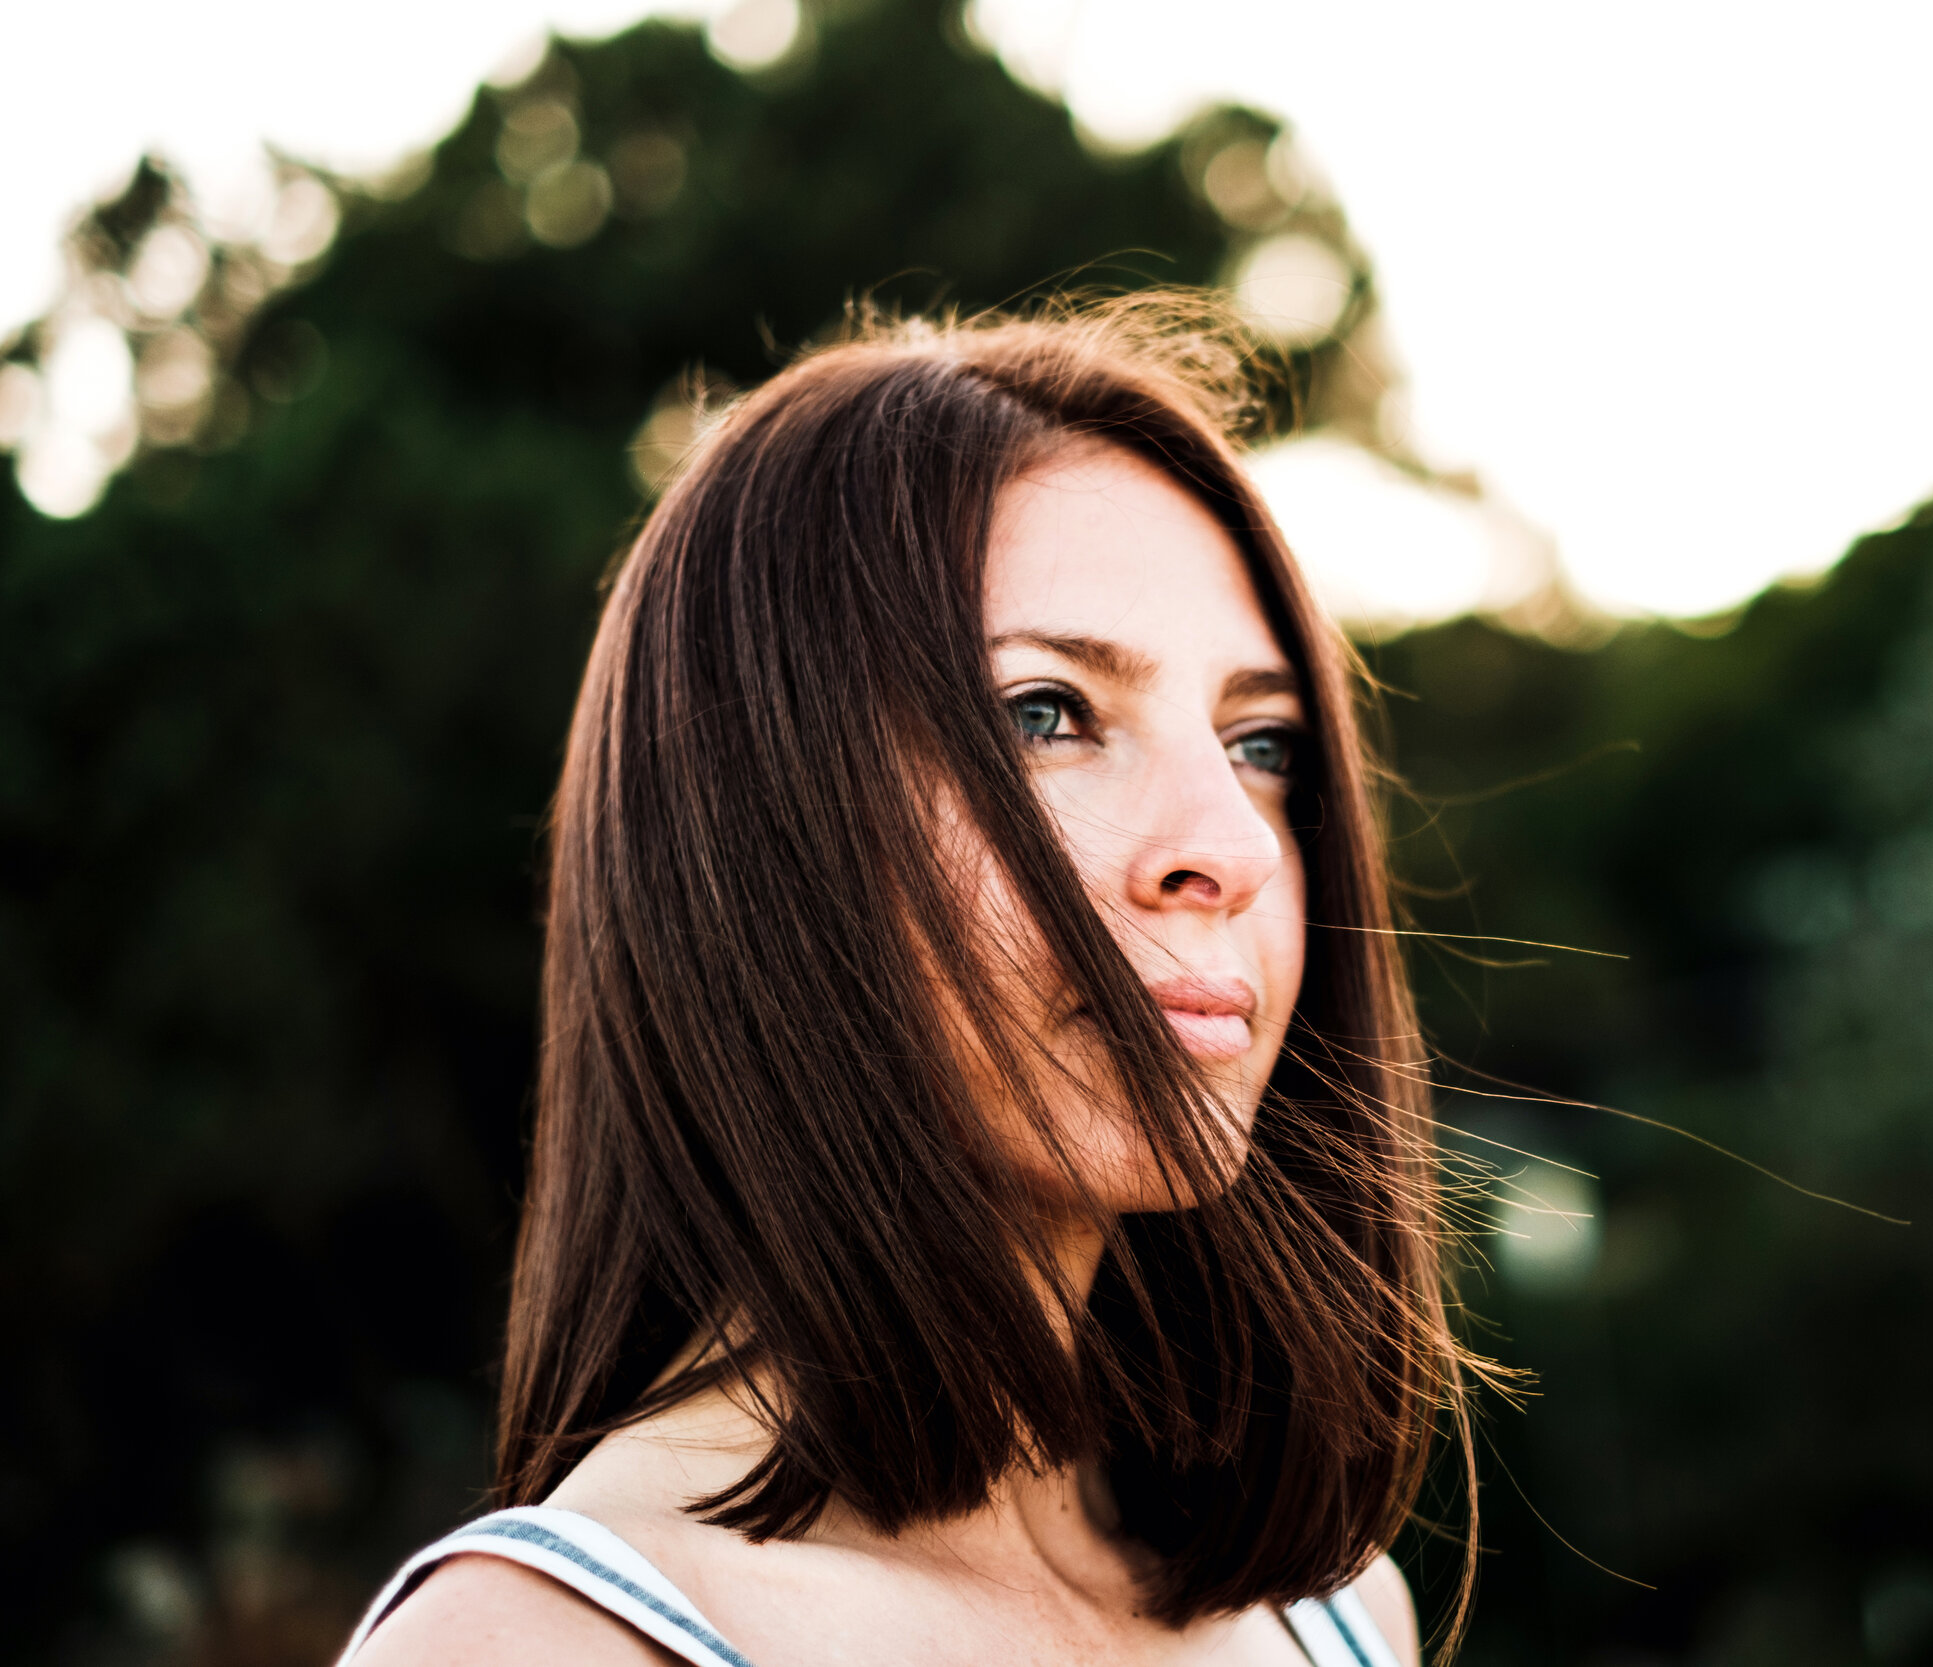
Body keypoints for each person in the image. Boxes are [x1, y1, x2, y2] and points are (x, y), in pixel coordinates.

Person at [341, 299, 1470, 1667]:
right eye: (1046, 714)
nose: (1228, 846)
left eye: (1262, 741)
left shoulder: (1342, 1621)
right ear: (765, 826)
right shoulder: (538, 1650)